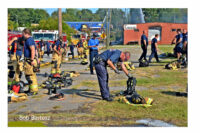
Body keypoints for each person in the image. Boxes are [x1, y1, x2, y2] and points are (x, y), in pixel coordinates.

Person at [22, 28, 38, 96]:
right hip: (30, 60)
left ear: (26, 33)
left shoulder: (29, 40)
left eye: (23, 34)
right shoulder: (30, 40)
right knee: (31, 75)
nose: (22, 35)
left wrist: (32, 60)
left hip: (29, 60)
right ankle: (32, 89)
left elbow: (33, 50)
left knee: (30, 76)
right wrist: (37, 59)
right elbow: (35, 50)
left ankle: (33, 91)